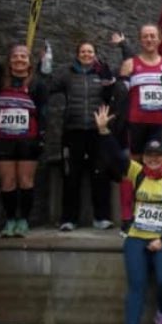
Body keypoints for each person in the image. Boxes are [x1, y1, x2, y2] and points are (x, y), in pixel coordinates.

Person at [94, 106, 162, 324]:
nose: (153, 159)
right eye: (149, 155)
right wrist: (104, 130)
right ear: (143, 157)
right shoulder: (137, 173)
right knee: (136, 283)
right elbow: (116, 156)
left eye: (158, 156)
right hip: (137, 237)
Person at [0, 7, 49, 237]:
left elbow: (44, 111)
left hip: (28, 140)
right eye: (15, 56)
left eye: (23, 56)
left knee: (25, 180)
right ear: (9, 60)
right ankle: (9, 221)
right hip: (3, 139)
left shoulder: (37, 83)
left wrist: (42, 138)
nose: (19, 59)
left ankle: (23, 221)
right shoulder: (0, 77)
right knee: (7, 181)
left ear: (29, 63)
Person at [44, 39, 117, 231]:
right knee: (71, 175)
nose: (87, 54)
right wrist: (44, 67)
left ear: (95, 54)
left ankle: (101, 217)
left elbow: (113, 94)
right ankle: (69, 219)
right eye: (83, 51)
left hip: (97, 131)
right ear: (77, 54)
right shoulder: (67, 74)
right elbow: (48, 87)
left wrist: (110, 82)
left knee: (100, 174)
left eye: (90, 51)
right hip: (72, 130)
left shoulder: (102, 72)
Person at [118, 24, 162, 160]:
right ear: (140, 40)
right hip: (136, 122)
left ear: (160, 40)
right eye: (145, 36)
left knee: (157, 161)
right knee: (135, 161)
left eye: (153, 36)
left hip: (161, 122)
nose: (149, 40)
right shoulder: (129, 64)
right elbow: (121, 96)